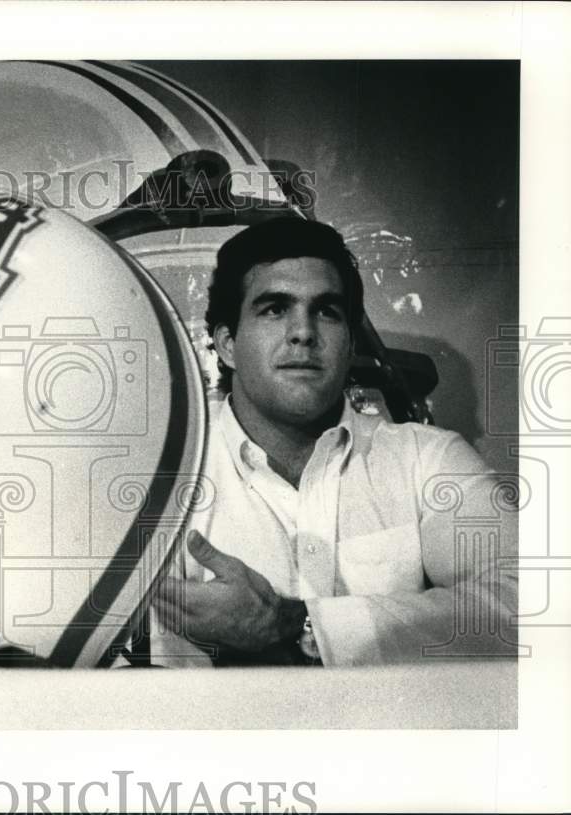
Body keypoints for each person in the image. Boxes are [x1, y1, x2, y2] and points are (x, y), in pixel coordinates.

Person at [152, 217, 519, 667]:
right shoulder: (162, 478)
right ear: (227, 345)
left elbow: (528, 604)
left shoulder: (429, 458)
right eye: (274, 309)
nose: (303, 332)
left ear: (348, 345)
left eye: (327, 311)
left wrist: (296, 626)